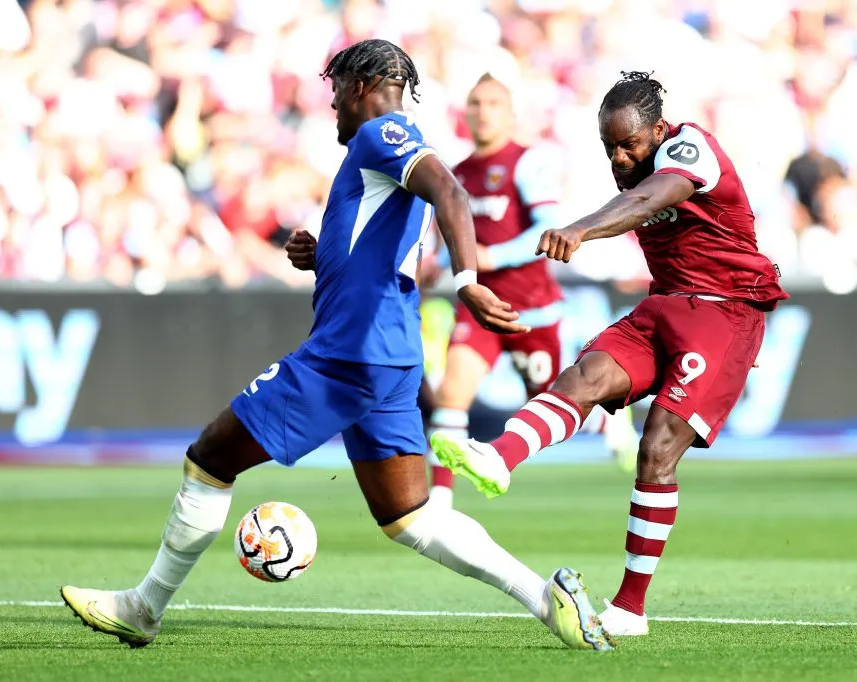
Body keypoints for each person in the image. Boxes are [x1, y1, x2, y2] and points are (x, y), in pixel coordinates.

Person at [60, 40, 614, 653]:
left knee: (210, 457)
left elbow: (452, 195)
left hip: (350, 352)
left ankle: (143, 608)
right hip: (390, 355)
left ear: (361, 85)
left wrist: (467, 283)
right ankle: (547, 599)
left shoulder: (384, 133)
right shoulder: (389, 147)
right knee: (411, 517)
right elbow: (388, 248)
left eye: (335, 91)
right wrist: (317, 254)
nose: (330, 106)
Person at [431, 71, 787, 635]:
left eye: (630, 144)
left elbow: (651, 198)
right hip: (666, 305)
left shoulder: (691, 148)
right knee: (584, 376)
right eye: (609, 148)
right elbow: (638, 195)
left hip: (724, 313)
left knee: (658, 447)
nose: (621, 159)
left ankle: (629, 608)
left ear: (659, 130)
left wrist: (580, 229)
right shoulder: (634, 165)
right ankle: (499, 457)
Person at [422, 73, 639, 508]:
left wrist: (493, 257)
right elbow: (458, 242)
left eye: (493, 104)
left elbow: (546, 229)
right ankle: (439, 505)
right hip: (481, 308)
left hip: (530, 310)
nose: (483, 112)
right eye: (475, 104)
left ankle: (607, 424)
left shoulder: (527, 162)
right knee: (451, 396)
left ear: (510, 114)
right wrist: (437, 266)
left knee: (550, 404)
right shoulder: (457, 174)